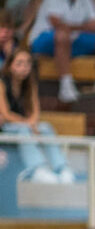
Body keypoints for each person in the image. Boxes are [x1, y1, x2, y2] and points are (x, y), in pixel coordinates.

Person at [0, 48, 73, 183]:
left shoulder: (30, 84)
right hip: (6, 127)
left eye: (27, 63)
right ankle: (36, 169)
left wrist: (32, 123)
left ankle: (61, 167)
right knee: (23, 130)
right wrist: (27, 124)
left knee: (45, 127)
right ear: (10, 66)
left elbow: (35, 111)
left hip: (23, 124)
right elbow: (6, 114)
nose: (24, 67)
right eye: (19, 63)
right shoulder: (2, 83)